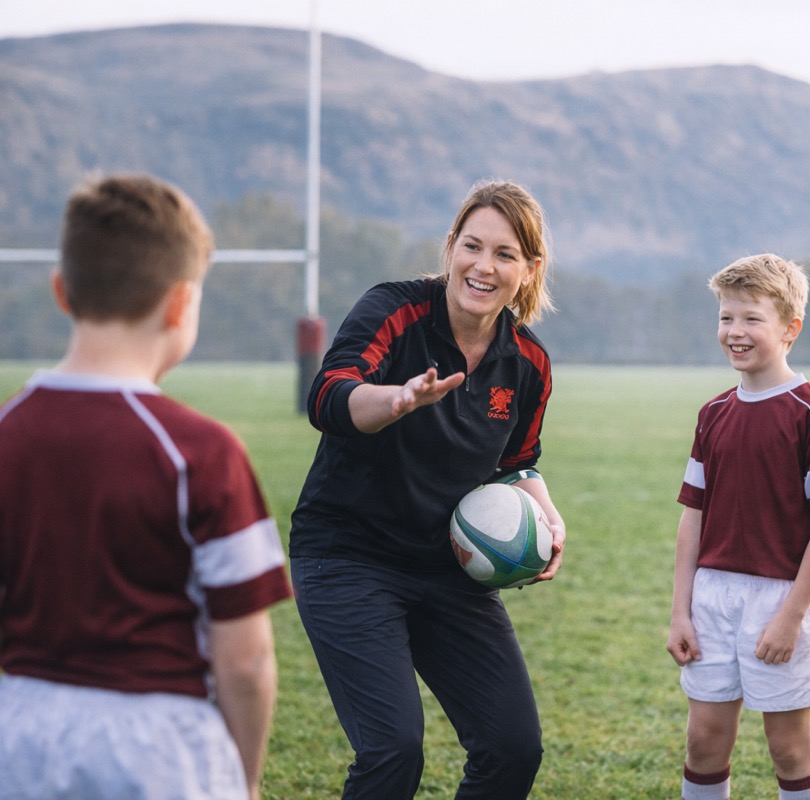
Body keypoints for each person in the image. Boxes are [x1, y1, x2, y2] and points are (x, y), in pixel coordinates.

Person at [0, 174, 293, 799]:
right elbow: (245, 660)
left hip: (18, 732)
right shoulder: (201, 454)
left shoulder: (6, 434)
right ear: (181, 304)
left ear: (61, 291)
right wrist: (243, 780)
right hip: (158, 748)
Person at [289, 178, 566, 799]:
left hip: (448, 568)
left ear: (529, 269)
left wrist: (547, 514)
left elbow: (519, 459)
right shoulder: (395, 309)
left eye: (505, 254)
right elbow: (328, 395)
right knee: (392, 751)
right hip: (348, 557)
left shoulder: (529, 362)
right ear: (450, 248)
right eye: (473, 246)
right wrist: (396, 399)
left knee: (512, 749)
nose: (484, 266)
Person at [667, 253, 810, 800]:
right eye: (726, 317)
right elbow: (693, 516)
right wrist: (681, 610)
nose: (735, 332)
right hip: (712, 598)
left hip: (782, 599)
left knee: (789, 747)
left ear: (790, 328)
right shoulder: (713, 413)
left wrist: (792, 615)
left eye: (751, 319)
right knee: (703, 740)